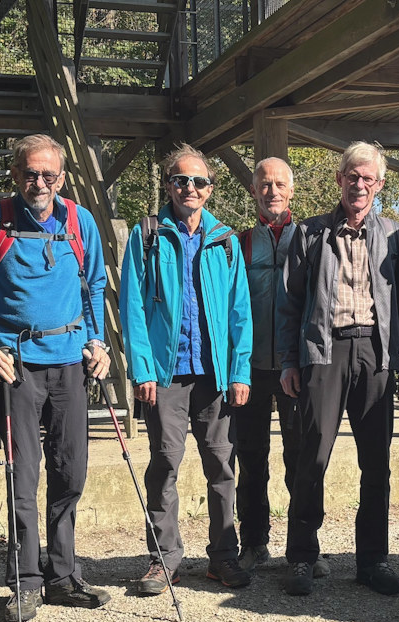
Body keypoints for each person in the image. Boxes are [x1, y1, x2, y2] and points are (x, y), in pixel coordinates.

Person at [0, 133, 112, 622]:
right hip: (13, 363)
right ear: (14, 175)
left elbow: (93, 284)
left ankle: (63, 575)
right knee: (24, 474)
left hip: (70, 361)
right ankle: (25, 581)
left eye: (49, 174)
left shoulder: (80, 222)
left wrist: (96, 340)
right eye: (30, 173)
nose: (39, 182)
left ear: (62, 177)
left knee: (71, 469)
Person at [278, 141, 399, 597]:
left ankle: (372, 560)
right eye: (352, 177)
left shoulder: (395, 236)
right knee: (312, 456)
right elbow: (290, 304)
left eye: (369, 179)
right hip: (325, 352)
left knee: (376, 461)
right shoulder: (309, 233)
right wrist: (289, 361)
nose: (360, 185)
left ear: (379, 185)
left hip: (376, 355)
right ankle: (302, 556)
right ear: (339, 179)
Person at [118, 143, 253, 593]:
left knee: (222, 467)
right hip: (165, 373)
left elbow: (240, 313)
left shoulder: (226, 241)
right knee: (164, 465)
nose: (189, 187)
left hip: (214, 376)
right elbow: (132, 306)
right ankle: (164, 559)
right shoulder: (147, 234)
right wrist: (142, 369)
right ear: (169, 185)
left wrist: (239, 372)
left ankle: (223, 558)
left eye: (198, 181)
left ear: (210, 189)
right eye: (181, 179)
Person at [232, 157, 322, 576]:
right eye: (265, 184)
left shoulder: (310, 238)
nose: (272, 191)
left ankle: (304, 549)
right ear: (254, 190)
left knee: (300, 460)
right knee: (251, 460)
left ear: (292, 190)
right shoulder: (240, 242)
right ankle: (254, 543)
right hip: (250, 369)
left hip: (296, 368)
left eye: (280, 184)